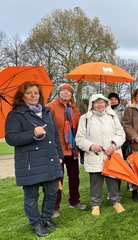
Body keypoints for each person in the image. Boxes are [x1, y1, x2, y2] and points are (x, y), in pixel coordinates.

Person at [5, 81, 63, 237]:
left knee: (52, 192)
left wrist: (60, 156)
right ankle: (36, 224)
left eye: (36, 93)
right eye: (29, 92)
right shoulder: (16, 114)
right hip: (30, 162)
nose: (33, 96)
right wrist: (33, 134)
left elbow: (54, 135)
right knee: (31, 196)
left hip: (50, 159)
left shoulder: (46, 111)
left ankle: (46, 219)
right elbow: (11, 138)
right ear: (22, 96)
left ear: (40, 95)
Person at [75, 94, 126, 216]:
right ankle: (95, 204)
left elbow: (121, 134)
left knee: (113, 179)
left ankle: (115, 201)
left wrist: (113, 146)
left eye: (102, 102)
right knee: (96, 181)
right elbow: (79, 139)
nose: (100, 105)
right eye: (96, 102)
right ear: (92, 104)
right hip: (95, 155)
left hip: (111, 154)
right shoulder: (85, 118)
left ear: (106, 103)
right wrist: (91, 146)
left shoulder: (112, 116)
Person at [46, 83, 86, 218]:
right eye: (63, 91)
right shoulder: (50, 107)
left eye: (68, 92)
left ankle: (74, 201)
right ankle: (54, 207)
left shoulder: (74, 109)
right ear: (59, 93)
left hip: (72, 150)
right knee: (58, 178)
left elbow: (79, 128)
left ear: (71, 94)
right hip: (58, 149)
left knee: (74, 176)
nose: (66, 94)